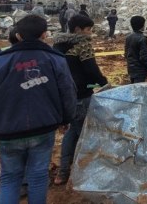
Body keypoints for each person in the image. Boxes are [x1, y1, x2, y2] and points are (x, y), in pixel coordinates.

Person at [0, 15, 77, 204]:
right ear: (45, 35)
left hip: (8, 132)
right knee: (38, 177)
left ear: (18, 36)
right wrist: (66, 119)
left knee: (10, 178)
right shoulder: (55, 60)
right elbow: (68, 92)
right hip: (43, 129)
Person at [52, 14, 108, 186]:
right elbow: (91, 70)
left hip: (63, 96)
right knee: (86, 133)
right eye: (88, 29)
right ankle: (85, 172)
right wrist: (105, 83)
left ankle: (63, 171)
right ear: (78, 30)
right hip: (82, 94)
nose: (90, 33)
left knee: (71, 132)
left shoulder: (57, 45)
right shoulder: (82, 44)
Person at [124, 16, 147, 84]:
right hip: (140, 70)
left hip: (131, 68)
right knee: (138, 90)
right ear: (142, 25)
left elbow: (126, 54)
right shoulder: (142, 38)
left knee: (134, 88)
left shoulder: (128, 37)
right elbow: (144, 57)